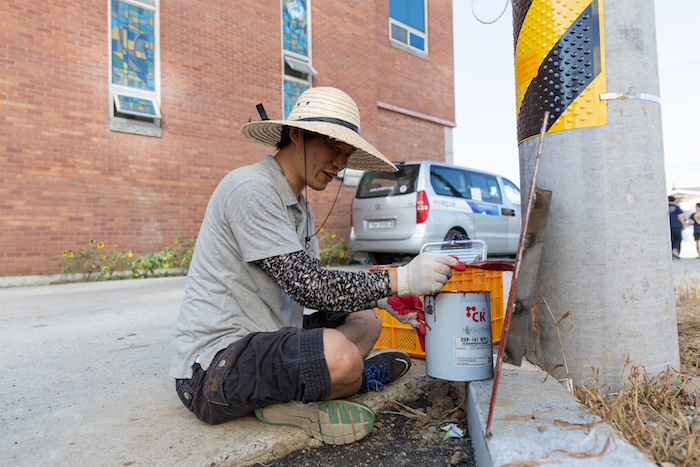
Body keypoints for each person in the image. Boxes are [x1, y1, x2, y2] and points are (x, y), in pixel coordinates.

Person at [169, 87, 463, 445]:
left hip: (269, 338)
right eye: (333, 147)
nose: (340, 164)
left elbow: (323, 292)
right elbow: (309, 286)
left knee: (367, 320)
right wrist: (400, 279)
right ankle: (346, 379)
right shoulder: (249, 188)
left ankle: (321, 383)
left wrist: (386, 300)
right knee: (339, 356)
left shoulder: (300, 208)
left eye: (346, 153)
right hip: (213, 370)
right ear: (296, 135)